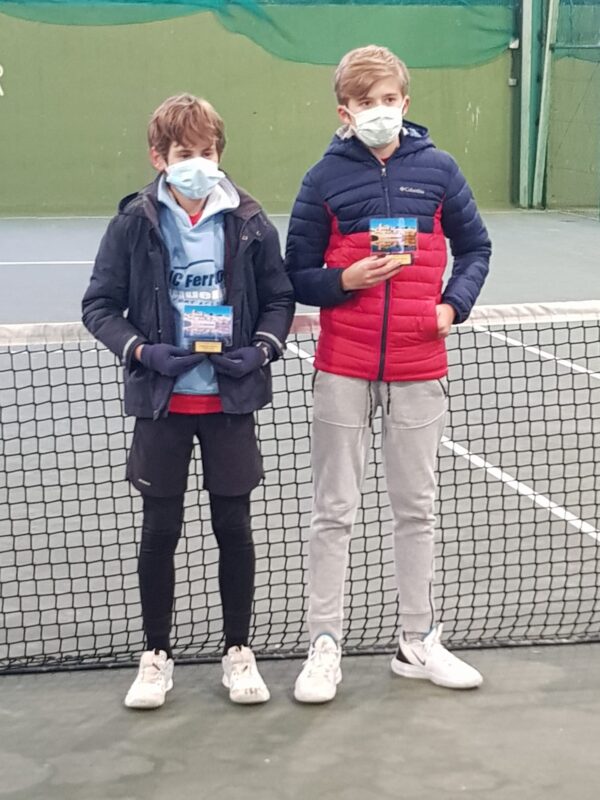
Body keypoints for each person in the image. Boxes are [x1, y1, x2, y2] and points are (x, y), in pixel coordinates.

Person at [285, 46, 491, 703]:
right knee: (332, 512)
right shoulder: (323, 179)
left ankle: (417, 643)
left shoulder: (439, 170)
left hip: (419, 365)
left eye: (388, 99)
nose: (379, 111)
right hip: (343, 367)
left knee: (417, 510)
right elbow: (295, 274)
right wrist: (343, 280)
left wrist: (452, 306)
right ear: (344, 112)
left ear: (405, 101)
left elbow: (476, 247)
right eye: (364, 102)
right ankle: (324, 646)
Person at [82, 93, 294, 709]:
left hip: (229, 403)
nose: (197, 163)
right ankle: (156, 656)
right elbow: (99, 306)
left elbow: (279, 298)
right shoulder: (133, 222)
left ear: (220, 153)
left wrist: (261, 349)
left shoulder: (249, 221)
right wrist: (142, 352)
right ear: (159, 157)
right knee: (160, 531)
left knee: (234, 528)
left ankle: (238, 651)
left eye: (207, 151)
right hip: (162, 404)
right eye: (184, 153)